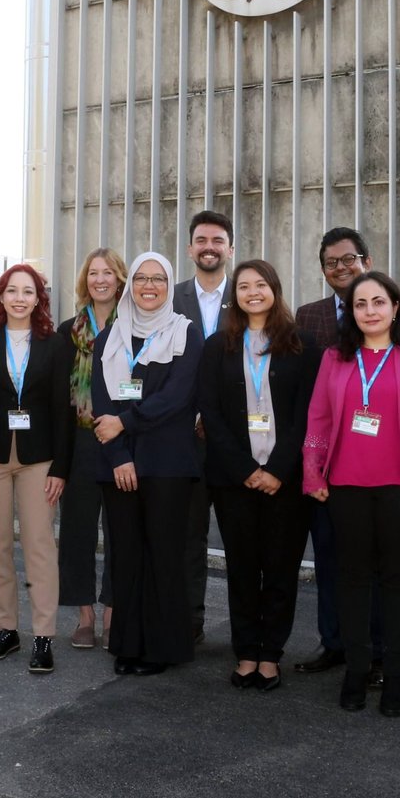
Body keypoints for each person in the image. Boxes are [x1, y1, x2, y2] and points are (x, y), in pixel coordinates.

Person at [302, 271, 400, 716]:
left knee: (399, 580)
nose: (369, 311)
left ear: (395, 307)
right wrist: (313, 472)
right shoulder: (336, 357)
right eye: (360, 304)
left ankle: (397, 675)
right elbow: (319, 416)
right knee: (352, 579)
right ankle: (357, 669)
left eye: (378, 302)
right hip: (345, 484)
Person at [198, 260, 317, 692]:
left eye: (260, 284)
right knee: (243, 570)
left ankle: (271, 654)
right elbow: (210, 412)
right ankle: (246, 651)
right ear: (235, 295)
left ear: (275, 289)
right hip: (235, 481)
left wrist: (278, 469)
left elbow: (307, 415)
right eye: (243, 285)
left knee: (282, 569)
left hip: (286, 481)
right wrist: (247, 469)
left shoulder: (303, 345)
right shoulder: (218, 347)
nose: (252, 292)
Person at [90, 252, 204, 676]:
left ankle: (162, 647)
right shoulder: (110, 337)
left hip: (167, 464)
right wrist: (119, 454)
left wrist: (125, 422)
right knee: (126, 556)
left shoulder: (185, 334)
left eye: (158, 279)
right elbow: (100, 402)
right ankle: (129, 644)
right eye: (141, 278)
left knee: (164, 556)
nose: (149, 286)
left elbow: (179, 398)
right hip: (119, 465)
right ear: (130, 285)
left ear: (168, 284)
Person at [293, 227, 384, 683]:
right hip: (326, 458)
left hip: (377, 457)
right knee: (329, 556)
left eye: (349, 259)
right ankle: (335, 642)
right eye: (332, 262)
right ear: (323, 269)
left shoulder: (386, 308)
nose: (341, 268)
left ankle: (379, 649)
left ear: (365, 261)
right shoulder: (307, 317)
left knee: (375, 560)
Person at [0, 263, 72, 673]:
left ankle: (43, 636)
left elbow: (63, 411)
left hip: (39, 458)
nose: (19, 298)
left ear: (38, 299)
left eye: (27, 292)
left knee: (40, 547)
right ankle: (6, 630)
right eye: (11, 291)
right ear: (0, 296)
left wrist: (61, 468)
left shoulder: (55, 344)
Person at [56, 248, 126, 650]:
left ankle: (113, 613)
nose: (101, 279)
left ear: (120, 279)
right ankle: (84, 616)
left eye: (108, 272)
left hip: (118, 438)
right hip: (81, 441)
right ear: (86, 280)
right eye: (94, 273)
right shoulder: (68, 331)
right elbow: (59, 400)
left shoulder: (134, 327)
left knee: (119, 531)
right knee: (77, 532)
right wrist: (59, 463)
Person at [172, 210, 233, 644]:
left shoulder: (251, 296)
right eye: (201, 240)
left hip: (236, 444)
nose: (209, 247)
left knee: (244, 543)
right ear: (190, 248)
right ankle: (187, 623)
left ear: (230, 248)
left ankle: (248, 630)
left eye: (217, 240)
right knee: (187, 540)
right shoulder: (168, 298)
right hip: (182, 443)